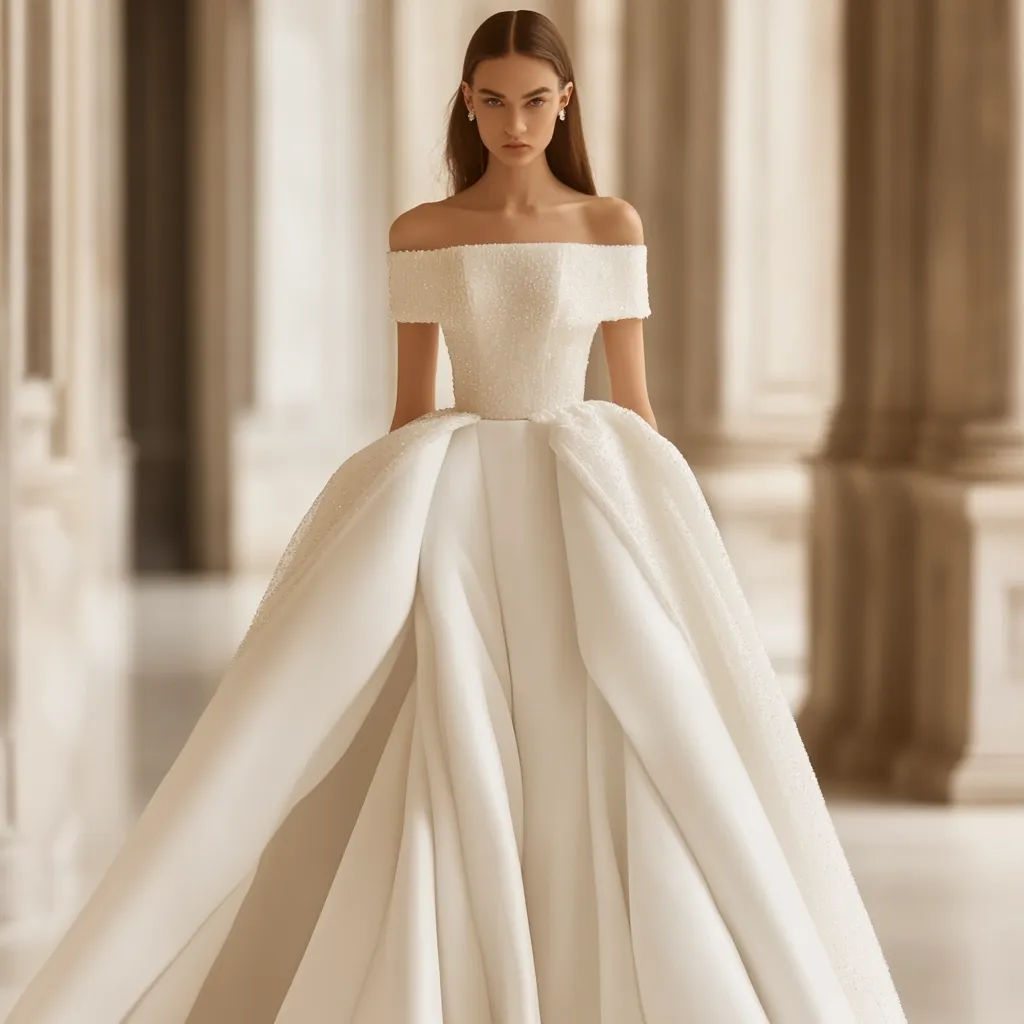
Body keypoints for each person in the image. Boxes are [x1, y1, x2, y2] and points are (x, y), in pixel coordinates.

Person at [8, 9, 907, 1023]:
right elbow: (409, 408)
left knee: (601, 718)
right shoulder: (424, 231)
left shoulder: (609, 224)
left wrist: (662, 537)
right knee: (446, 718)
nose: (512, 122)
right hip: (460, 500)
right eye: (492, 100)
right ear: (466, 103)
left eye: (533, 100)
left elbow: (633, 406)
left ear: (564, 101)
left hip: (581, 501)